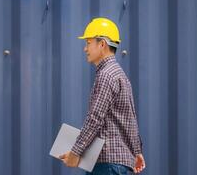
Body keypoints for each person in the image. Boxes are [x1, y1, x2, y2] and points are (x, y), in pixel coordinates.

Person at [59, 18, 146, 174]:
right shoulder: (120, 75)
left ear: (102, 44)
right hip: (117, 165)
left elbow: (94, 118)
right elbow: (130, 117)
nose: (85, 49)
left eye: (88, 43)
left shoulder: (105, 76)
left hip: (106, 165)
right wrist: (136, 151)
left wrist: (75, 152)